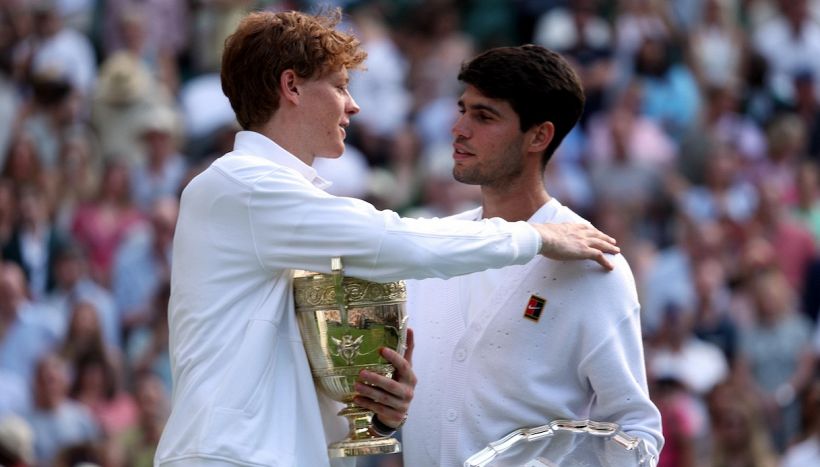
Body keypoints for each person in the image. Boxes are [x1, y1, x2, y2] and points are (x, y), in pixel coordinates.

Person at [155, 9, 620, 467]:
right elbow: (397, 240)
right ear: (291, 86)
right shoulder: (241, 186)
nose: (353, 105)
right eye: (339, 86)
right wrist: (536, 236)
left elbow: (300, 379)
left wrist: (376, 417)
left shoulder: (281, 203)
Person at [402, 44, 664, 467]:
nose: (458, 128)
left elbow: (637, 437)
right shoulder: (437, 244)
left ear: (539, 136)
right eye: (462, 110)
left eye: (483, 116)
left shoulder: (593, 266)